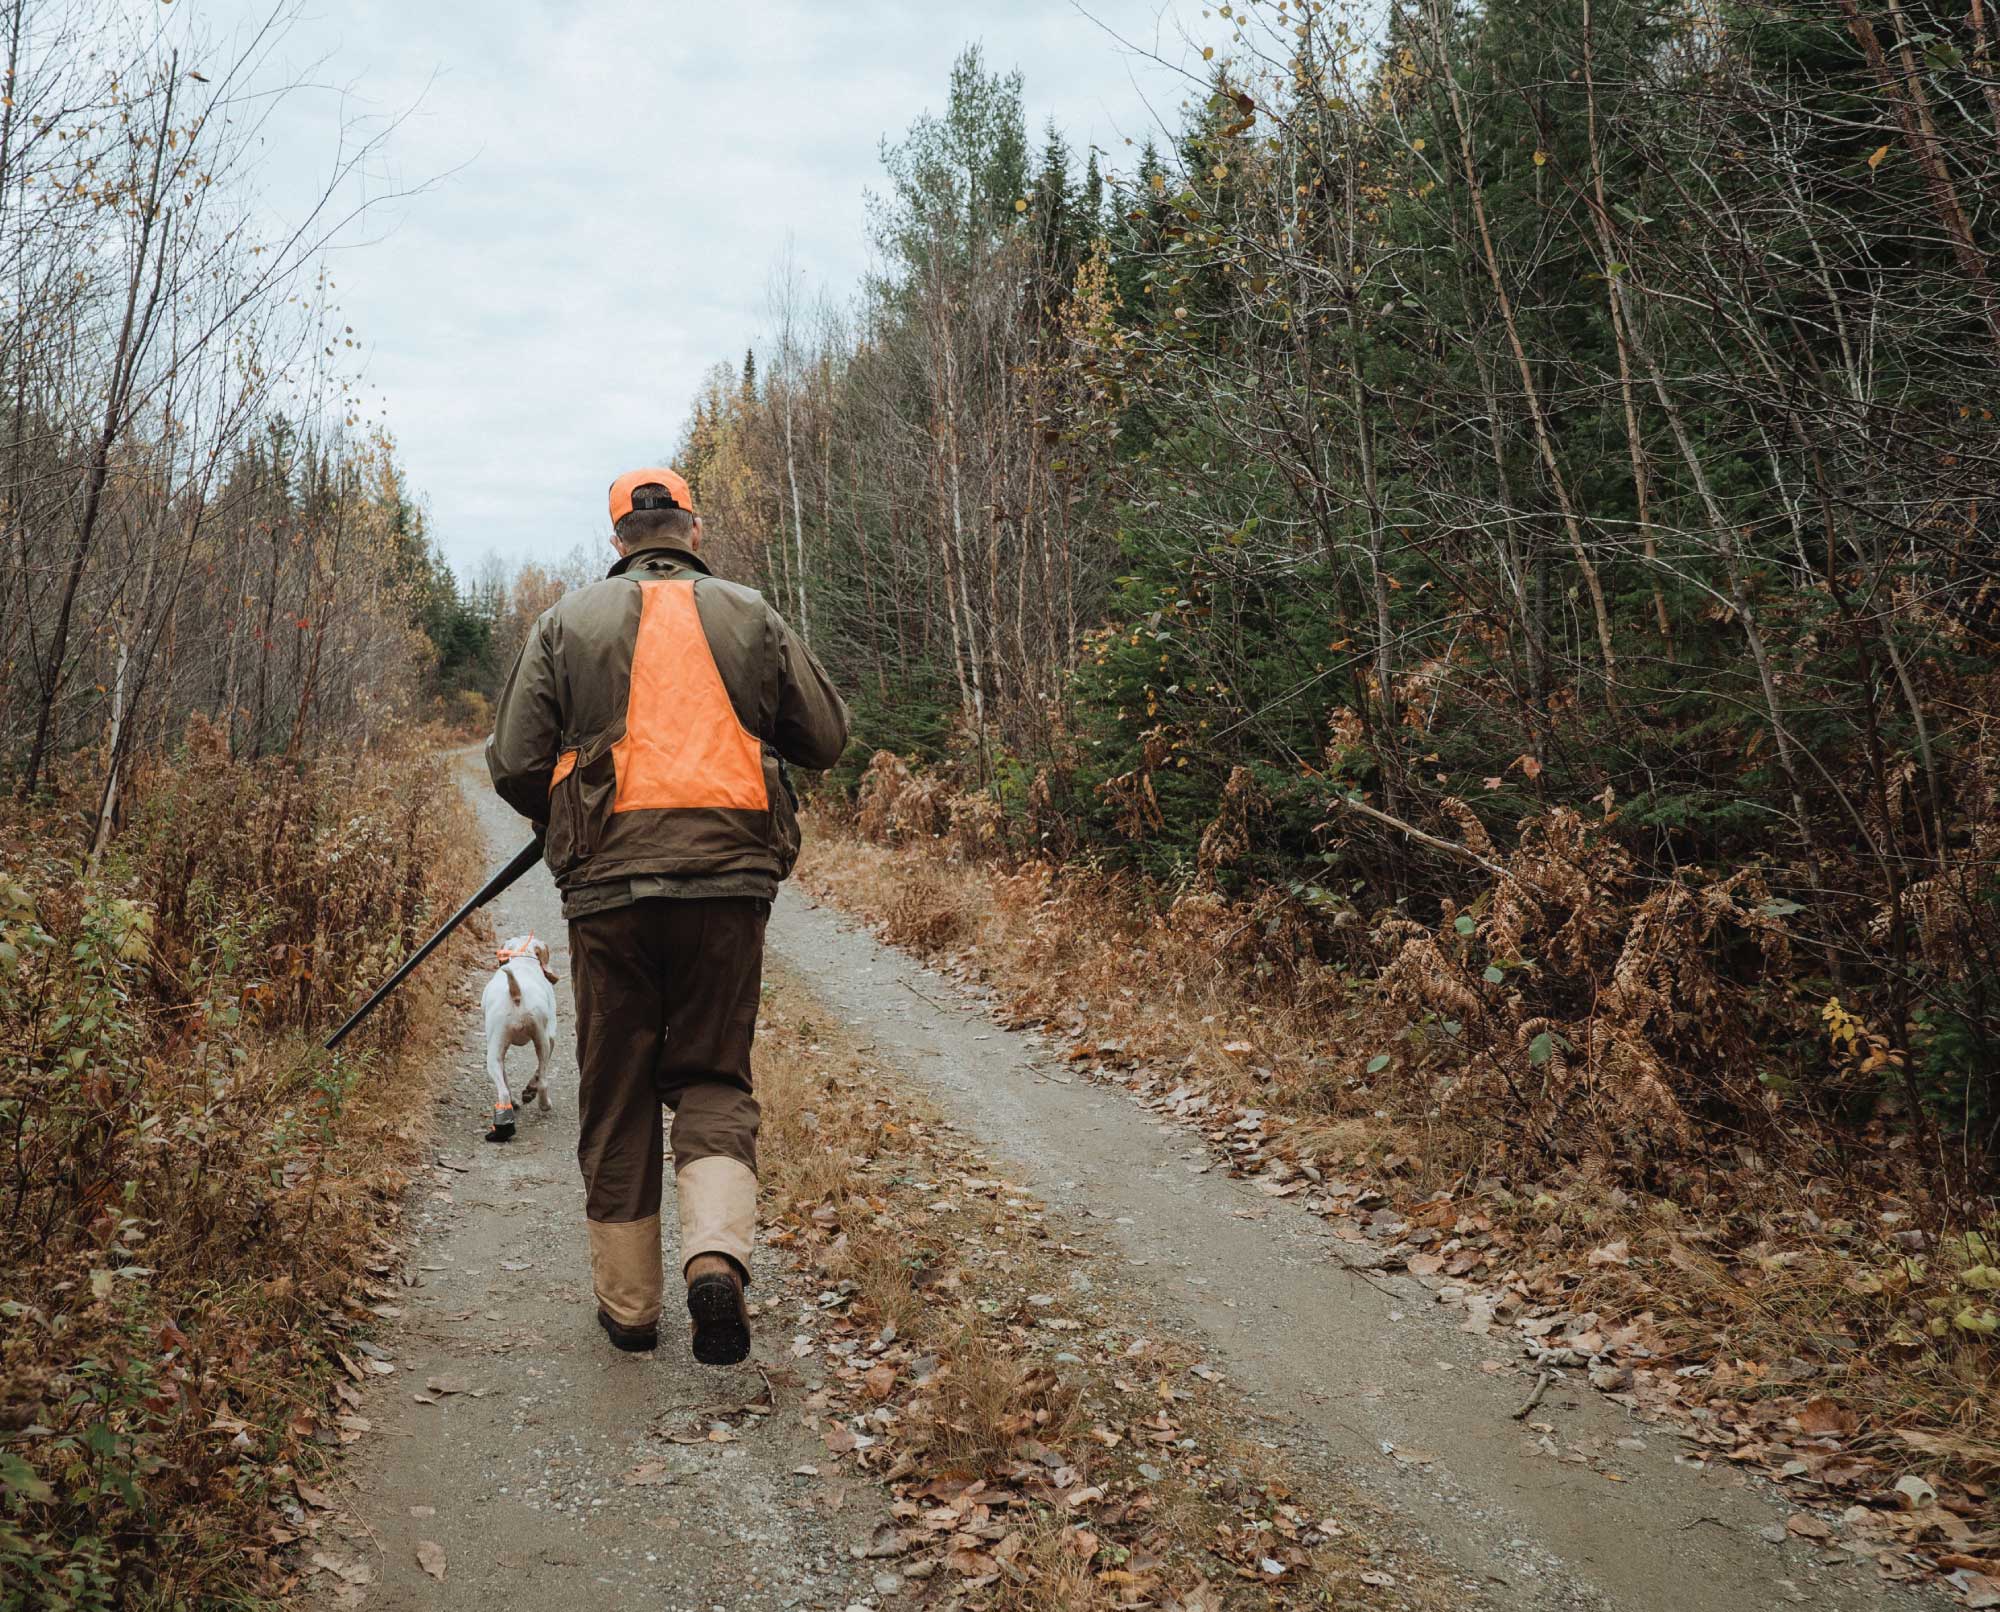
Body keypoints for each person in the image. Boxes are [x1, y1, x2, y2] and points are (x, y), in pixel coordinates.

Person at [486, 468, 848, 1365]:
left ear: (618, 539)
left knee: (615, 1094)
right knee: (714, 1077)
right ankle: (714, 1261)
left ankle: (633, 1312)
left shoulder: (566, 622)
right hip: (729, 887)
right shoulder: (750, 611)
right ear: (692, 527)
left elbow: (513, 762)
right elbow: (826, 739)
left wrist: (568, 808)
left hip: (607, 894)